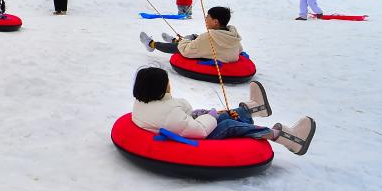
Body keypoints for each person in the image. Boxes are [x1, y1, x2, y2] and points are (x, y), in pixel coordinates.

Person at [131, 67, 316, 155]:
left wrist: (201, 115)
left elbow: (179, 121)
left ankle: (254, 108)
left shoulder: (142, 103)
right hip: (199, 138)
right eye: (167, 82)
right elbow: (199, 131)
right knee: (227, 124)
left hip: (182, 127)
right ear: (161, 88)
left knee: (222, 114)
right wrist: (210, 116)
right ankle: (286, 137)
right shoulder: (169, 111)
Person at [140, 6, 243, 62]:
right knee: (195, 37)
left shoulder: (207, 38)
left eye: (208, 17)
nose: (205, 19)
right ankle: (175, 40)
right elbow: (240, 50)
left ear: (216, 22)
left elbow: (186, 50)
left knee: (179, 47)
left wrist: (185, 40)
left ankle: (151, 44)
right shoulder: (233, 36)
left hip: (208, 58)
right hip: (219, 54)